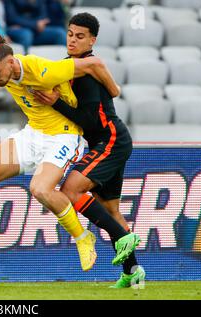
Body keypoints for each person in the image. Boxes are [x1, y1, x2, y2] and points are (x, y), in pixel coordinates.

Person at [0, 32, 140, 273]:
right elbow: (5, 78)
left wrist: (114, 90)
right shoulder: (5, 71)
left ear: (11, 62)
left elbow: (94, 63)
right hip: (32, 134)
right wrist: (1, 78)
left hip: (63, 135)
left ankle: (83, 238)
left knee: (40, 189)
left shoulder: (43, 70)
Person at [32, 12, 146, 288]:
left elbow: (89, 120)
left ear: (92, 40)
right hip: (109, 141)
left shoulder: (85, 74)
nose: (72, 40)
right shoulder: (72, 67)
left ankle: (121, 236)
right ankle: (133, 274)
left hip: (110, 139)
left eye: (80, 36)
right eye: (70, 34)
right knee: (110, 208)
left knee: (71, 190)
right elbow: (114, 91)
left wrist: (55, 103)